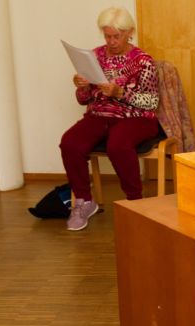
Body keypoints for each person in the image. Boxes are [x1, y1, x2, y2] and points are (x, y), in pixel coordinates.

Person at [60, 7, 160, 231]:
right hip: (100, 115)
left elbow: (151, 103)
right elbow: (84, 100)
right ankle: (84, 202)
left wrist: (120, 93)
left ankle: (135, 203)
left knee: (118, 144)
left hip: (136, 118)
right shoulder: (94, 56)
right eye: (107, 36)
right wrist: (82, 87)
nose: (111, 42)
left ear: (129, 32)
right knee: (70, 142)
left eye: (117, 36)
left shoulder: (143, 61)